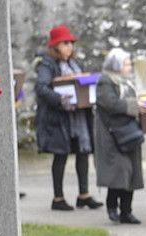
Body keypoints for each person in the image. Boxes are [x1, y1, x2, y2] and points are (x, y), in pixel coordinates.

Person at [34, 25, 102, 212]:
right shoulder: (47, 65)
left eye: (71, 43)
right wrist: (59, 99)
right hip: (59, 119)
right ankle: (58, 198)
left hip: (79, 116)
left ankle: (84, 195)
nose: (69, 47)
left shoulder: (75, 64)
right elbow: (41, 88)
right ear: (55, 46)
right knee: (60, 155)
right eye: (65, 43)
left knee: (83, 152)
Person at [93, 48, 146, 225]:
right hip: (111, 133)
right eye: (126, 63)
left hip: (128, 131)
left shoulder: (127, 82)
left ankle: (126, 211)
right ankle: (112, 207)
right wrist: (134, 106)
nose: (129, 66)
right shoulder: (105, 82)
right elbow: (111, 104)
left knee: (131, 172)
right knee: (118, 171)